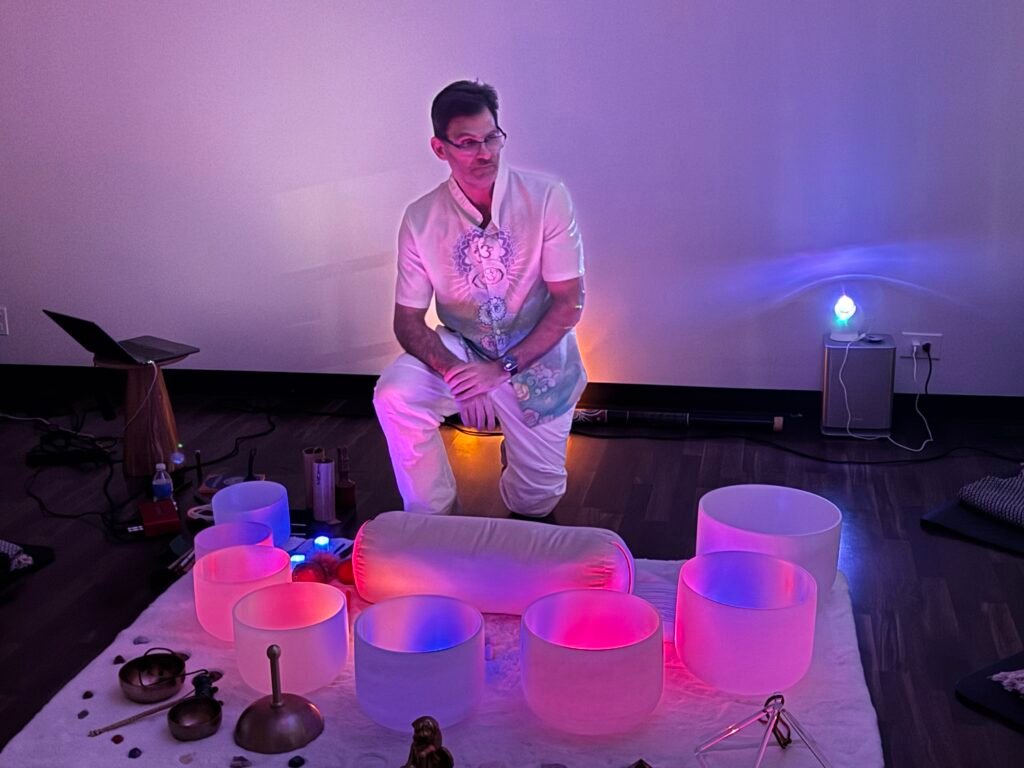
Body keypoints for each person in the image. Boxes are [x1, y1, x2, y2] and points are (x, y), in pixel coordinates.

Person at [373, 80, 587, 519]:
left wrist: (499, 370)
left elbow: (569, 302)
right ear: (440, 148)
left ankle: (519, 459)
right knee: (394, 394)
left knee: (537, 502)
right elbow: (407, 320)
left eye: (491, 137)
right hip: (463, 349)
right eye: (468, 143)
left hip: (537, 358)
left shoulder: (547, 198)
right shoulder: (420, 218)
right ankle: (435, 521)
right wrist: (459, 376)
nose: (484, 153)